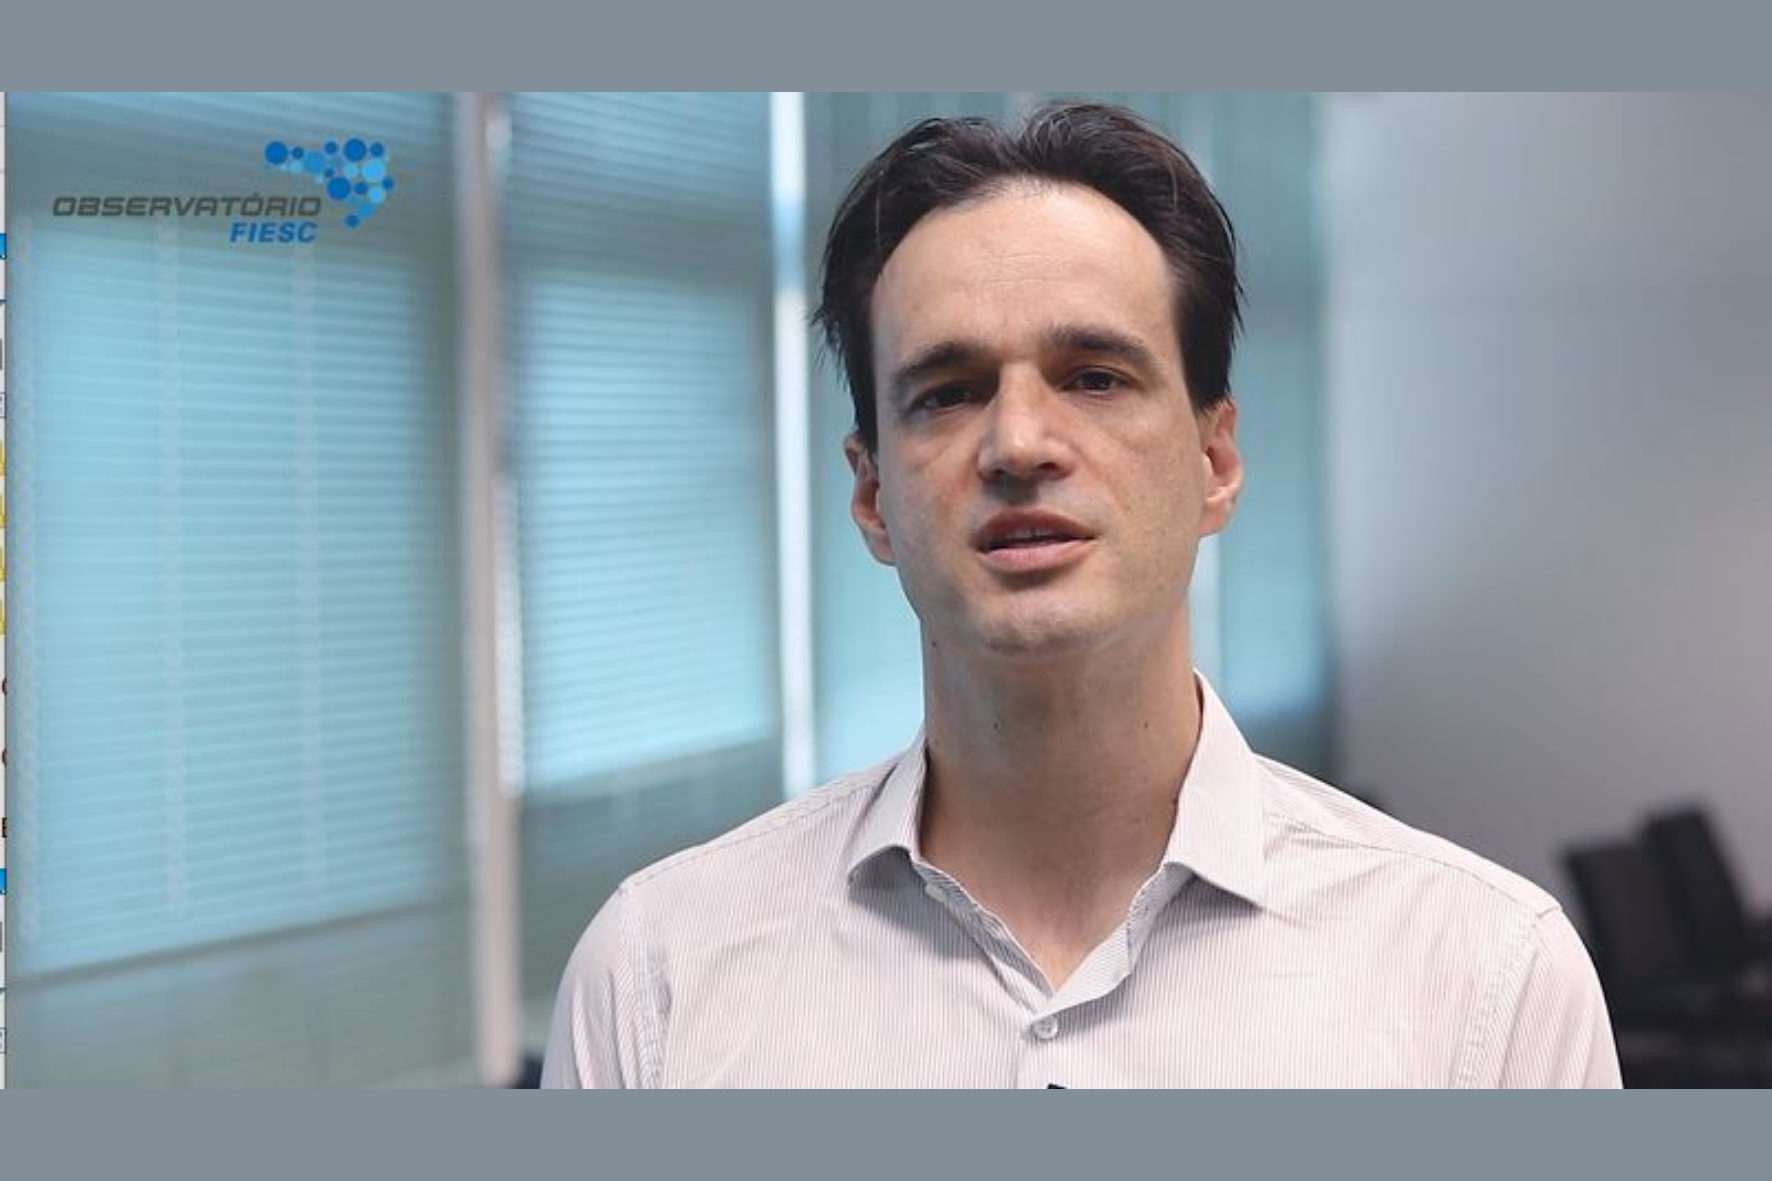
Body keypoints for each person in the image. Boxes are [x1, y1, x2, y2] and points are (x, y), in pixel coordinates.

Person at [542, 101, 1621, 1088]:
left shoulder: (1486, 981)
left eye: (1095, 377)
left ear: (1213, 462)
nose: (1018, 443)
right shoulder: (656, 982)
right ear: (870, 496)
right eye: (948, 393)